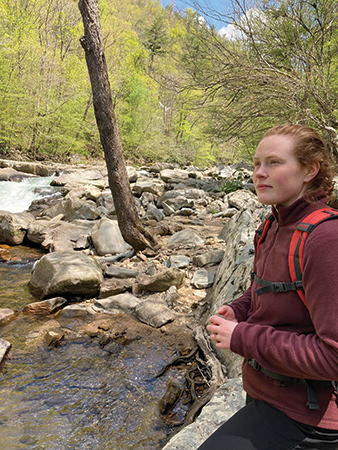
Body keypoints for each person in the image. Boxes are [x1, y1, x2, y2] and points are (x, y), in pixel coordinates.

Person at [199, 124, 338, 450]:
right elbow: (264, 291)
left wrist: (242, 337)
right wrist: (238, 309)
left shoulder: (325, 239)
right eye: (256, 163)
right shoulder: (272, 224)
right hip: (265, 394)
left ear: (310, 169)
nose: (259, 173)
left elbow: (333, 357)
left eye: (274, 163)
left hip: (307, 419)